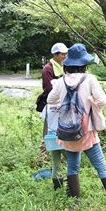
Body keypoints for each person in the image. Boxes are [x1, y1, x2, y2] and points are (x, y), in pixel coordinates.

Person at [47, 43, 106, 207]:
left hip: (67, 131)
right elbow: (103, 100)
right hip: (86, 131)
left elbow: (50, 100)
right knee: (100, 165)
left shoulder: (61, 81)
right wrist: (90, 101)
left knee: (73, 166)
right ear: (83, 64)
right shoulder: (89, 79)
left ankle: (74, 200)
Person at [41, 42, 68, 190]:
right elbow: (49, 89)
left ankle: (61, 177)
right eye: (62, 54)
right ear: (55, 54)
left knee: (61, 139)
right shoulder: (48, 69)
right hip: (52, 108)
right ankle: (58, 179)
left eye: (65, 54)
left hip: (63, 107)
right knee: (53, 139)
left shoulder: (64, 66)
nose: (64, 56)